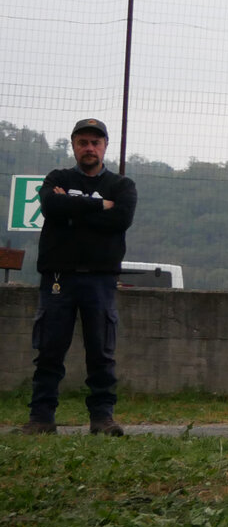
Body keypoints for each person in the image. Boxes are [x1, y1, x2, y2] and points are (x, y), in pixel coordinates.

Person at [17, 118, 138, 436]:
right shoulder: (57, 178)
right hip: (58, 278)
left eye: (95, 142)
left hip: (100, 280)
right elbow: (50, 206)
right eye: (83, 142)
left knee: (101, 353)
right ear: (73, 145)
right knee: (49, 351)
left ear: (105, 146)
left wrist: (71, 213)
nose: (89, 148)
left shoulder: (122, 186)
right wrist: (100, 206)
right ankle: (41, 419)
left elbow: (120, 219)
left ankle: (102, 419)